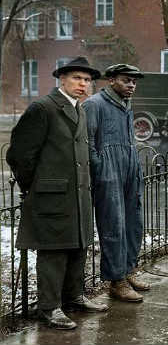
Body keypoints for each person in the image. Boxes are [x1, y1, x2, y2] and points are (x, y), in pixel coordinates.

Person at [6, 56, 108, 330]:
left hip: (77, 194)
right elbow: (19, 155)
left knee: (78, 246)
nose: (83, 84)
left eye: (87, 80)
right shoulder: (43, 108)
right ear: (61, 79)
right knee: (53, 252)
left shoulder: (81, 109)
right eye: (77, 78)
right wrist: (36, 186)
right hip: (51, 195)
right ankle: (49, 308)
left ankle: (73, 297)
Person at [83, 64, 150, 303]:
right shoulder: (94, 104)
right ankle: (116, 281)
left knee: (134, 222)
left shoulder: (126, 104)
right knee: (113, 225)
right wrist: (100, 170)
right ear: (111, 80)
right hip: (108, 171)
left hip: (129, 166)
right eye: (126, 80)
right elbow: (88, 142)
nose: (131, 85)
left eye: (134, 81)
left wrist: (134, 166)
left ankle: (129, 269)